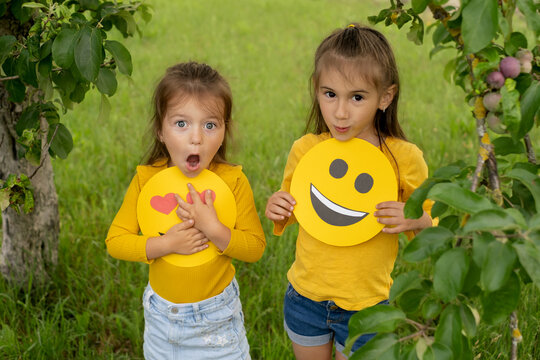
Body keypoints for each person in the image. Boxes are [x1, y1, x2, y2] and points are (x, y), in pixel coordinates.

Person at [265, 24, 434, 360]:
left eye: (356, 97)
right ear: (316, 90)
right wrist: (278, 206)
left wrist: (415, 218)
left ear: (385, 97)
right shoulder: (306, 150)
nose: (340, 112)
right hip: (305, 297)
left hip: (366, 307)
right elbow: (296, 206)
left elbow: (438, 222)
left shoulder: (403, 158)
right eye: (330, 94)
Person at [106, 61, 265, 360]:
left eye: (210, 125)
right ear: (161, 131)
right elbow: (116, 241)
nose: (196, 138)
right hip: (162, 320)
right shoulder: (147, 180)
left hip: (217, 319)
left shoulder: (232, 182)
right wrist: (166, 244)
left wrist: (214, 229)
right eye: (181, 124)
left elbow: (255, 247)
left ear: (224, 131)